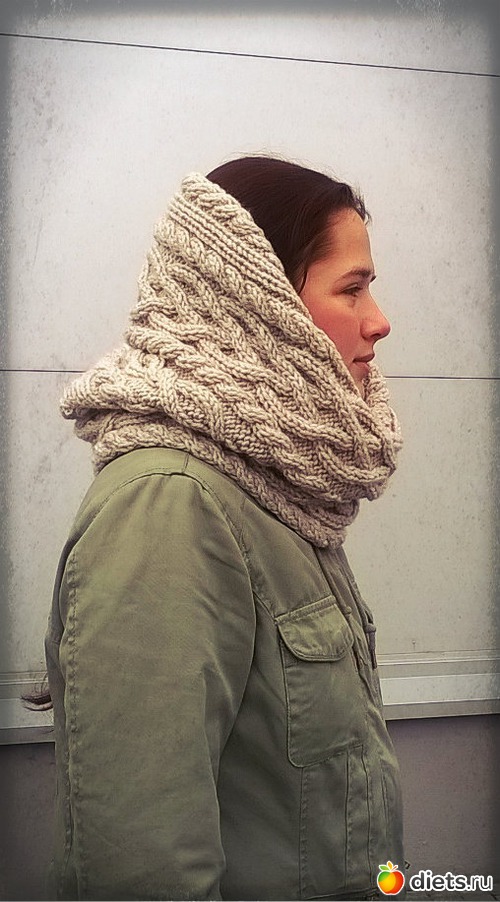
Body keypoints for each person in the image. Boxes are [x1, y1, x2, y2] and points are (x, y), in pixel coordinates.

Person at [44, 155, 404, 900]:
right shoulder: (168, 507)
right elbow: (143, 864)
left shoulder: (277, 489)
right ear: (258, 305)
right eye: (352, 288)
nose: (379, 319)